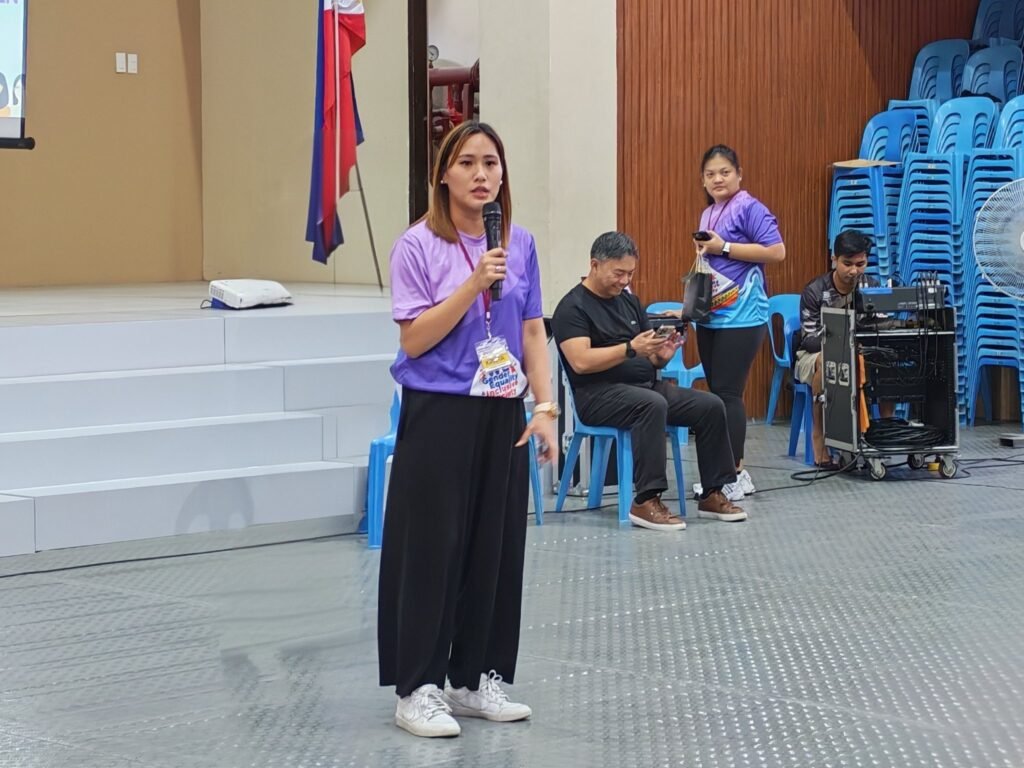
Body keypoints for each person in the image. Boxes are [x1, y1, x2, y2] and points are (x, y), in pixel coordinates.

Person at [377, 121, 557, 739]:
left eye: (491, 163)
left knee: (495, 546)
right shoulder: (417, 245)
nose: (481, 175)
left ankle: (476, 677)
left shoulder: (520, 242)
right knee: (433, 548)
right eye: (467, 163)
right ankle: (417, 688)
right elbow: (414, 338)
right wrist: (473, 284)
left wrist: (545, 407)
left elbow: (531, 330)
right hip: (440, 409)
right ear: (444, 175)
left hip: (501, 407)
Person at [550, 231, 746, 531]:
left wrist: (662, 355)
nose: (624, 281)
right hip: (597, 395)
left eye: (630, 273)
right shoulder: (572, 307)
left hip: (643, 386)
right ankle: (646, 500)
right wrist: (630, 348)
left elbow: (650, 357)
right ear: (594, 265)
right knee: (651, 405)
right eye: (618, 273)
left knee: (710, 405)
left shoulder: (629, 302)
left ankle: (712, 493)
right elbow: (581, 361)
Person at [692, 145, 786, 500]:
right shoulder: (708, 213)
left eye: (725, 172)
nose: (718, 179)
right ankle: (720, 474)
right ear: (703, 180)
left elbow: (776, 251)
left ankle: (735, 474)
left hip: (743, 314)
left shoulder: (749, 207)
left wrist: (726, 248)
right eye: (710, 174)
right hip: (712, 313)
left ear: (739, 174)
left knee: (729, 394)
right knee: (716, 395)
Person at [795, 229, 888, 468]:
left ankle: (884, 435)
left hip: (861, 353)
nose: (854, 271)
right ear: (834, 259)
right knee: (824, 360)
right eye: (847, 264)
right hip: (815, 354)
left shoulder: (872, 287)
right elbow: (809, 339)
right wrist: (842, 343)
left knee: (889, 361)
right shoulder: (815, 291)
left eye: (860, 264)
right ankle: (819, 437)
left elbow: (883, 327)